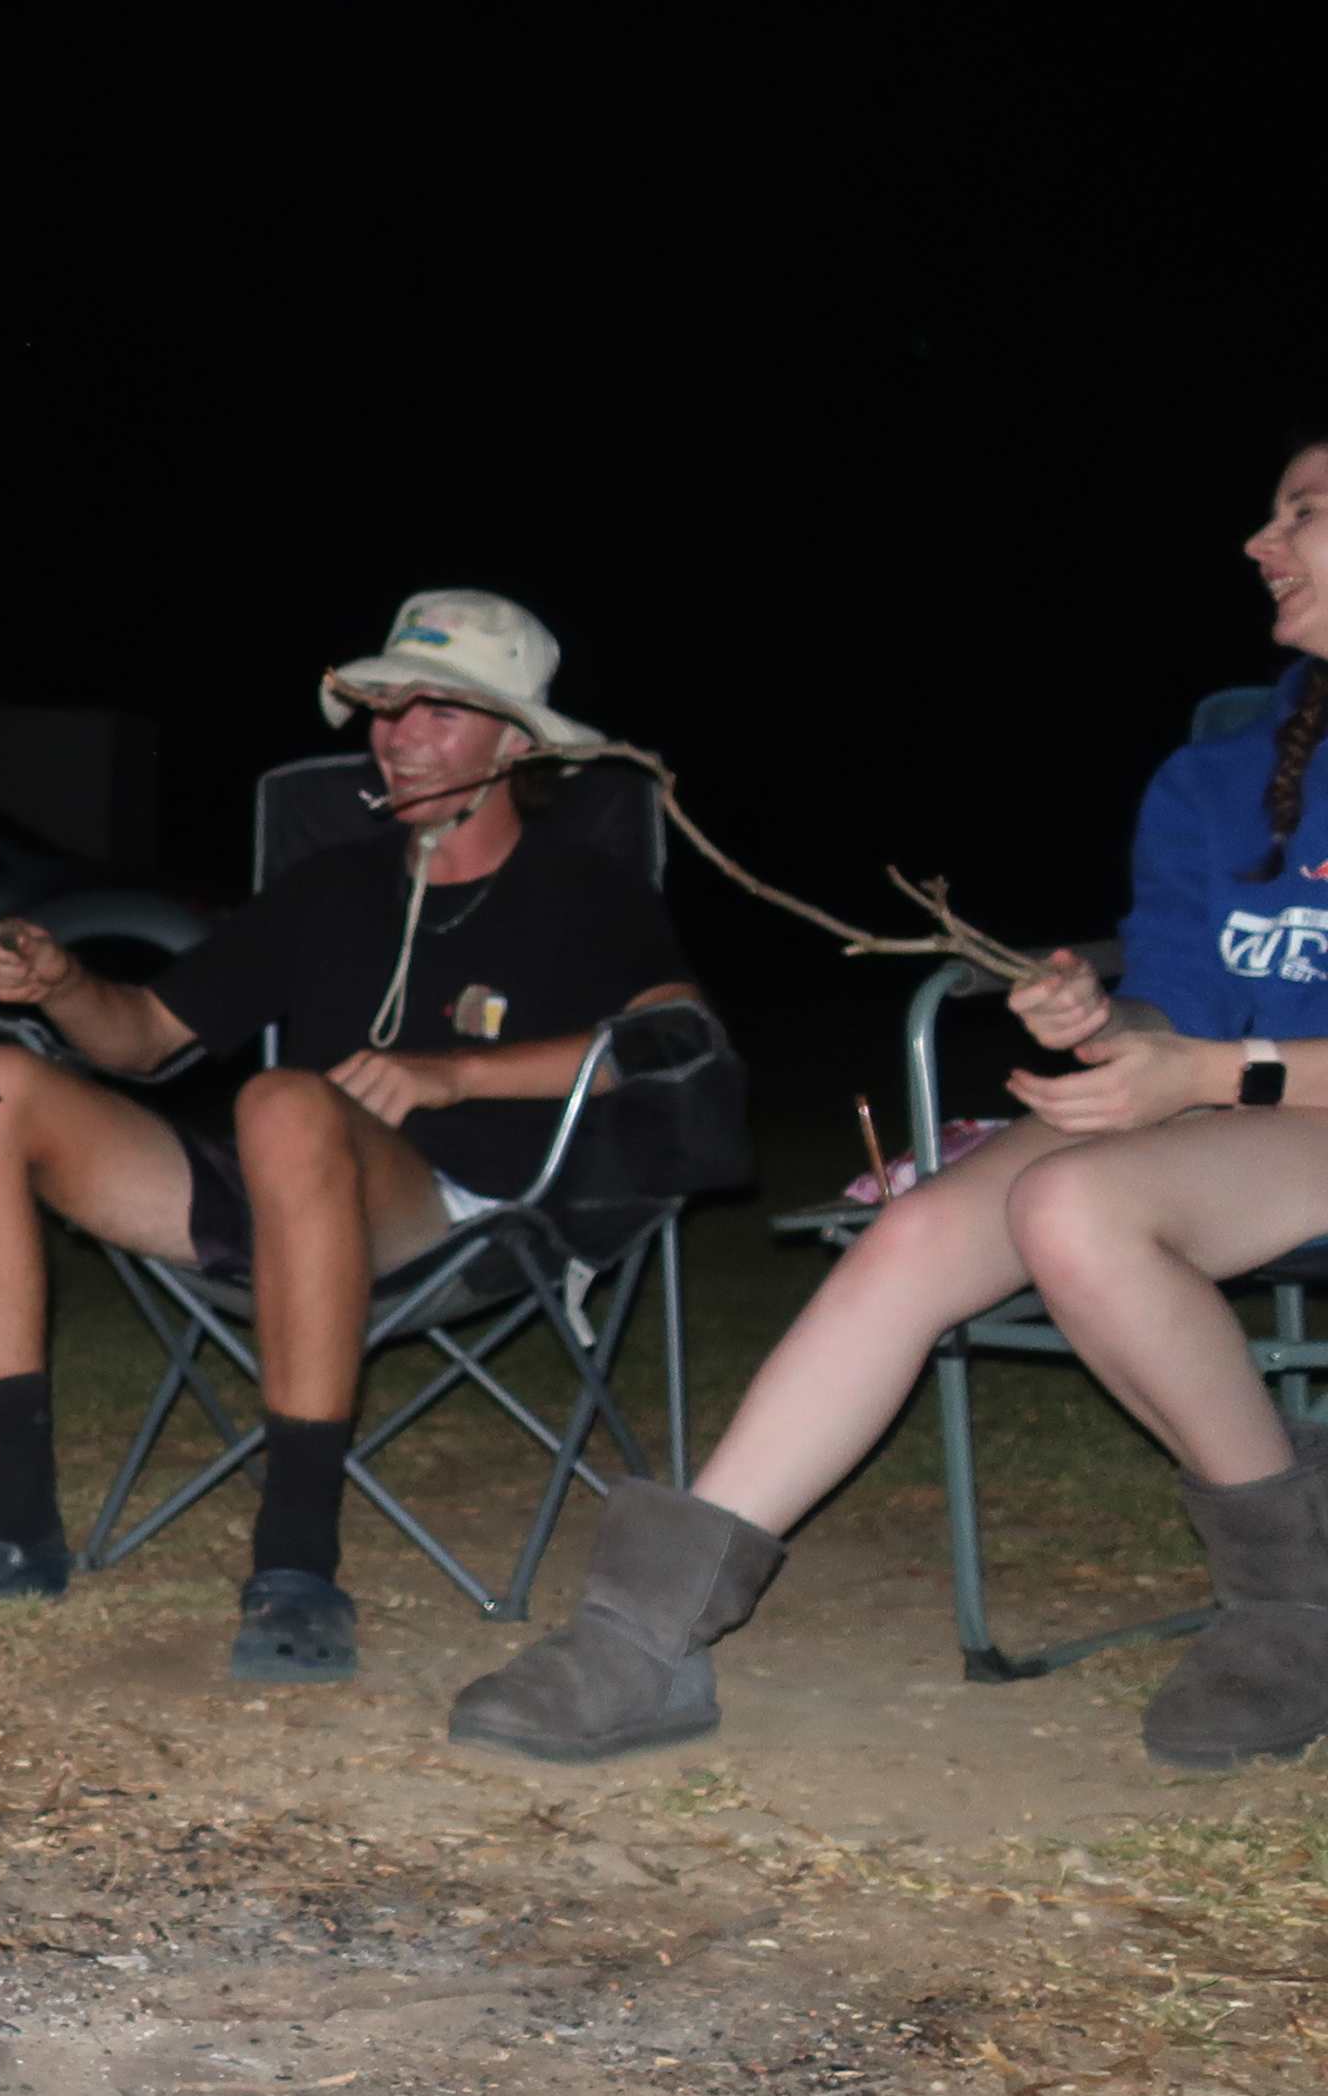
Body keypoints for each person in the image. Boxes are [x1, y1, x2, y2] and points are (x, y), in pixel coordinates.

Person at [453, 441, 1328, 1772]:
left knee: (1074, 1206)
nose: (1259, 542)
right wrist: (1110, 1025)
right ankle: (648, 1632)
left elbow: (1218, 1062)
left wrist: (1212, 1076)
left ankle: (1290, 1602)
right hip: (1238, 1112)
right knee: (918, 1232)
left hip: (1279, 1109)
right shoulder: (1219, 776)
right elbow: (1178, 1004)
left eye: (1303, 513)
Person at [0, 592, 701, 1683]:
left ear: (516, 744)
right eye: (387, 708)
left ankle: (297, 1557)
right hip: (279, 1181)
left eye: (439, 711)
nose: (397, 735)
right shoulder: (333, 884)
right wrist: (63, 986)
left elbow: (675, 1040)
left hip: (468, 1216)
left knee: (283, 1104)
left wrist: (454, 1073)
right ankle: (14, 1517)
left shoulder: (581, 886)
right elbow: (145, 1037)